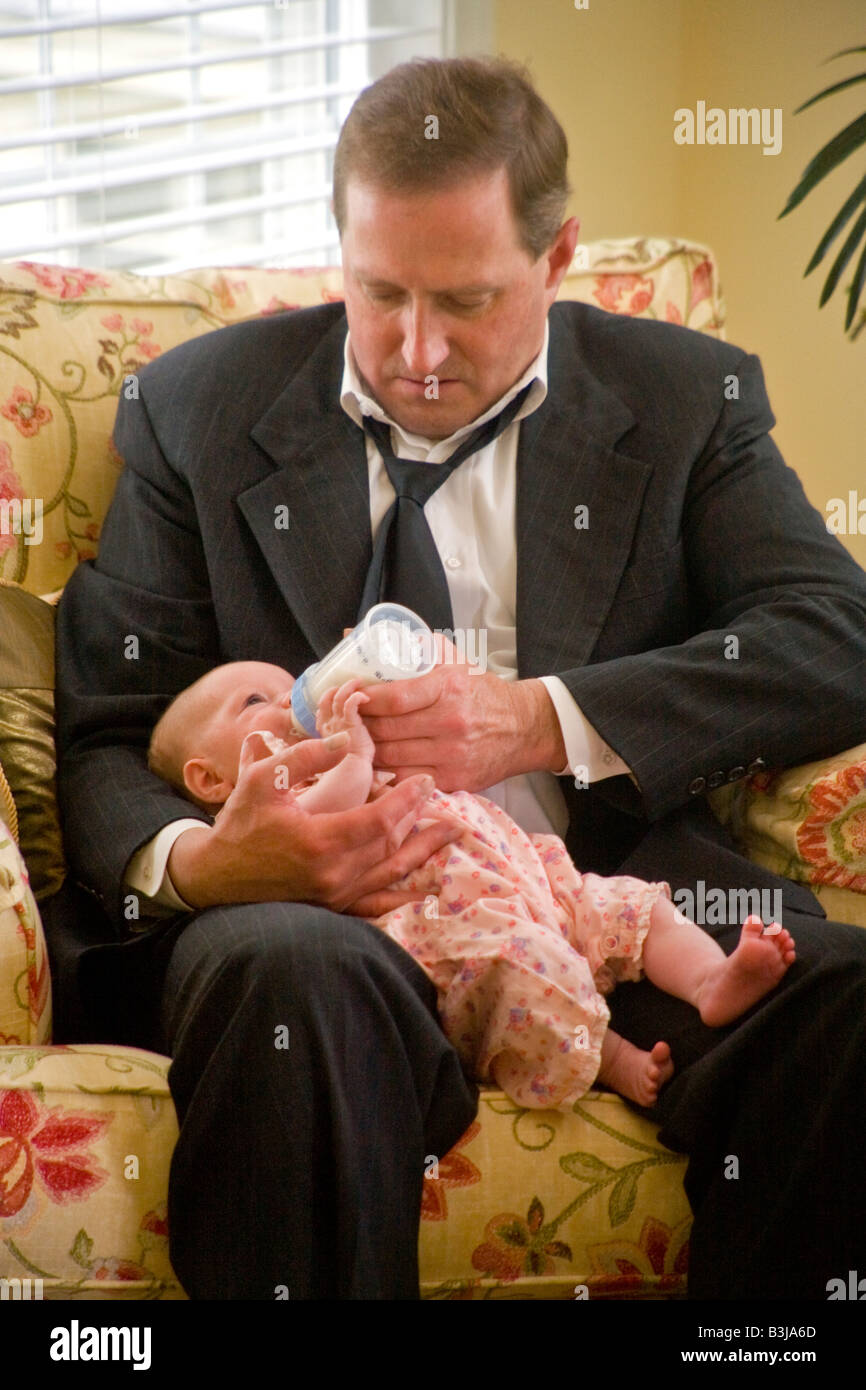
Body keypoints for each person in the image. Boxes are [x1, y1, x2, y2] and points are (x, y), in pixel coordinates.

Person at [49, 55, 866, 1301]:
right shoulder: (197, 409)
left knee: (841, 997)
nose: (416, 352)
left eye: (467, 300)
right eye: (380, 293)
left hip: (606, 910)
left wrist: (541, 721)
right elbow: (107, 730)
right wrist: (217, 862)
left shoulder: (681, 398)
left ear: (556, 256)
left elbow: (833, 630)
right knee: (292, 973)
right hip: (317, 928)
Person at [146, 659, 797, 1110]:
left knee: (637, 906)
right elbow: (318, 819)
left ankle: (711, 979)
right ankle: (612, 1058)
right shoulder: (271, 802)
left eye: (291, 686)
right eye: (255, 702)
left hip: (528, 867)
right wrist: (356, 756)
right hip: (462, 922)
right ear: (209, 781)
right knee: (525, 966)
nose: (290, 704)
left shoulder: (343, 749)